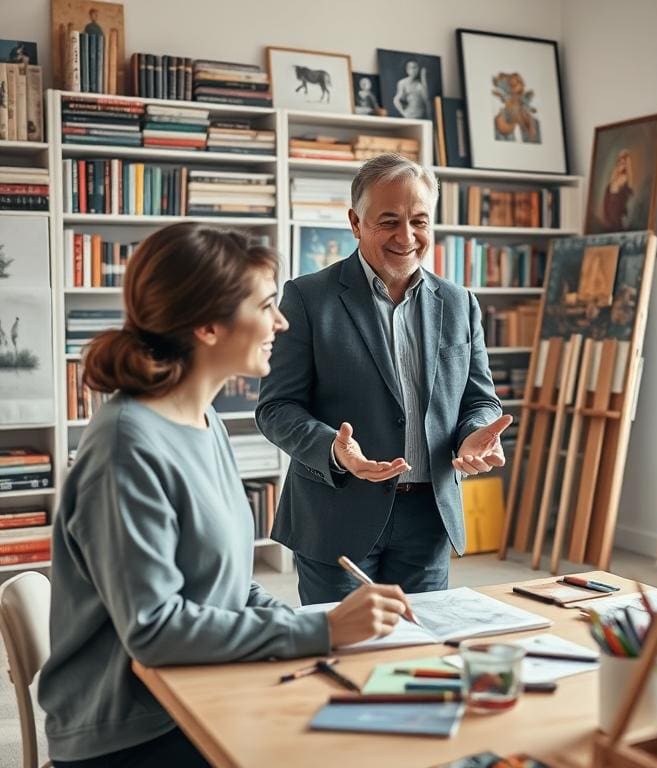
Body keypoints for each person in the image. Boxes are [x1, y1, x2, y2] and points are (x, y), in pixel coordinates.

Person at [38, 223, 412, 767]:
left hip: (197, 690)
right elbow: (156, 630)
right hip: (136, 731)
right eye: (265, 305)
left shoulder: (203, 421)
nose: (281, 322)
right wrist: (320, 627)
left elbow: (228, 587)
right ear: (207, 326)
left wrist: (320, 630)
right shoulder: (127, 447)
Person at [257, 154, 511, 604]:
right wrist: (333, 448)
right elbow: (276, 408)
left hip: (428, 516)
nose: (406, 237)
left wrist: (474, 435)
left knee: (418, 651)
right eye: (388, 221)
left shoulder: (459, 303)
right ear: (355, 223)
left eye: (419, 221)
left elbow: (479, 400)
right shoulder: (307, 297)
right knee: (345, 653)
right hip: (336, 512)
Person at [601, 149, 635, 231]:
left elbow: (623, 193)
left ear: (626, 165)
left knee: (615, 226)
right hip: (609, 206)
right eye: (619, 162)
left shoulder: (624, 178)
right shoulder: (615, 176)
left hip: (616, 208)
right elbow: (609, 190)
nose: (620, 165)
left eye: (623, 163)